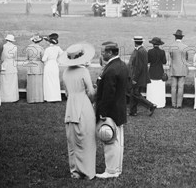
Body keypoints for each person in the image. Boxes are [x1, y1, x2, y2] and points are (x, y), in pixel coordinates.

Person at [58, 43, 97, 179]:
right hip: (83, 105)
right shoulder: (83, 71)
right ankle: (87, 171)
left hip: (70, 107)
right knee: (87, 138)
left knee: (72, 139)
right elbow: (91, 92)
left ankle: (75, 170)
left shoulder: (65, 72)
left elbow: (67, 93)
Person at [95, 41, 129, 179]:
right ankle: (117, 168)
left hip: (111, 111)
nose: (102, 54)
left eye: (103, 52)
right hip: (120, 108)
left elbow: (108, 94)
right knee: (118, 141)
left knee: (109, 140)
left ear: (110, 53)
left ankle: (111, 171)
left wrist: (102, 112)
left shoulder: (111, 69)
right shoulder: (122, 65)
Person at [128, 36, 157, 116]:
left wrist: (134, 78)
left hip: (138, 77)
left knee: (135, 94)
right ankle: (133, 111)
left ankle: (151, 105)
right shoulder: (143, 50)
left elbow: (138, 66)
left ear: (135, 42)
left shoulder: (139, 51)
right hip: (142, 76)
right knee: (134, 93)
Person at [168, 29, 189, 109]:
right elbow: (186, 58)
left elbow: (171, 56)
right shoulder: (185, 47)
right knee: (180, 87)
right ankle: (179, 104)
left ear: (175, 37)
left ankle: (173, 103)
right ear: (182, 38)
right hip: (182, 68)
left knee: (173, 87)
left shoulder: (171, 46)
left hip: (174, 68)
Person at [147, 37, 167, 109]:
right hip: (160, 71)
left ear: (153, 44)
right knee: (159, 88)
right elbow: (164, 62)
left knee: (152, 88)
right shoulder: (162, 52)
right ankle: (160, 103)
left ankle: (151, 103)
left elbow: (148, 61)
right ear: (159, 44)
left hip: (152, 71)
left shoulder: (150, 51)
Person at [42, 33, 63, 102]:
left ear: (49, 41)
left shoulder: (47, 49)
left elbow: (43, 59)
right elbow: (63, 55)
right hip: (55, 65)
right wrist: (58, 61)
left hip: (48, 65)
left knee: (48, 81)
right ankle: (56, 97)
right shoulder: (58, 48)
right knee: (55, 80)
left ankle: (49, 97)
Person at [25, 34, 45, 103]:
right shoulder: (41, 48)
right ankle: (38, 99)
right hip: (38, 65)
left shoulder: (28, 48)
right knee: (38, 83)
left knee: (31, 83)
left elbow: (27, 58)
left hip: (30, 65)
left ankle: (31, 99)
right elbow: (43, 58)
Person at [0, 34, 19, 103]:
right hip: (12, 64)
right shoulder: (14, 47)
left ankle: (4, 98)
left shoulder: (3, 46)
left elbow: (2, 57)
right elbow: (15, 57)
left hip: (5, 64)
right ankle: (12, 97)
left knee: (4, 82)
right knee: (12, 81)